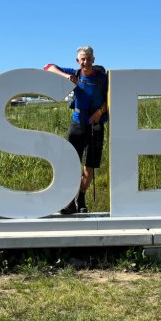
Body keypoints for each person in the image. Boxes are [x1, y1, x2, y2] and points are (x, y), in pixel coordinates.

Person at [44, 45, 108, 214]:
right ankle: (70, 201)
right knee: (71, 164)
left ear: (94, 59)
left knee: (89, 166)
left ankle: (81, 198)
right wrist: (66, 76)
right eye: (82, 59)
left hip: (95, 125)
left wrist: (100, 111)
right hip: (77, 124)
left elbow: (113, 96)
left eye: (89, 58)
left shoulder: (103, 78)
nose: (86, 62)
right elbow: (48, 67)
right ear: (77, 61)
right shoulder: (75, 74)